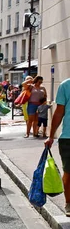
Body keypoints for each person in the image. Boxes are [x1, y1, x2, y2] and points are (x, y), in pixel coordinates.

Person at [45, 78, 70, 216]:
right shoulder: (66, 85)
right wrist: (51, 135)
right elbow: (59, 111)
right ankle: (69, 203)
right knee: (69, 172)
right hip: (68, 137)